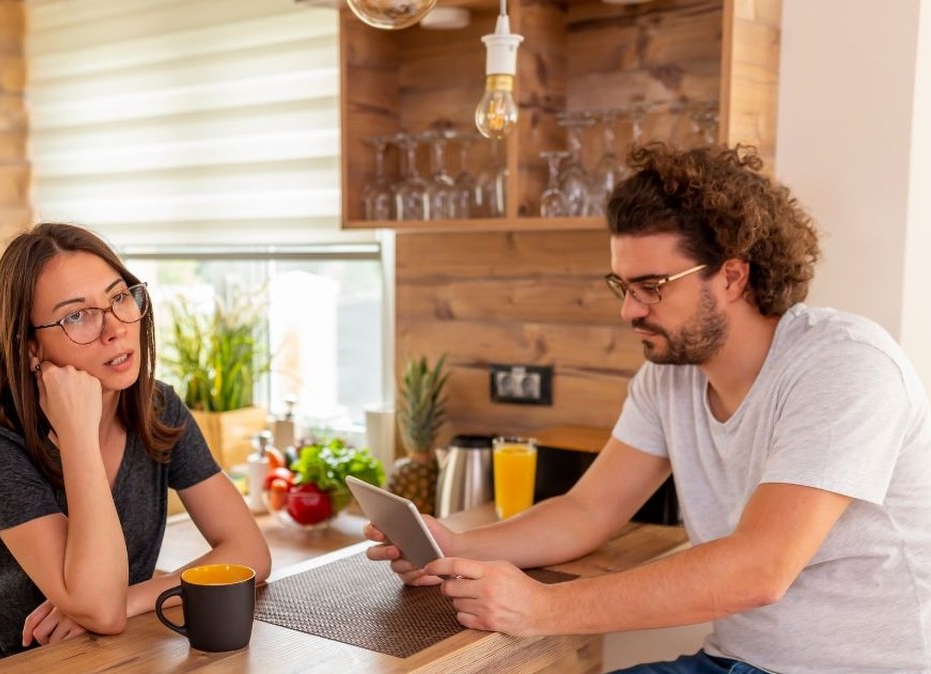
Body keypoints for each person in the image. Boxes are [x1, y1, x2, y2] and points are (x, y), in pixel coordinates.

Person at [365, 144, 931, 673]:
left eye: (652, 286)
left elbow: (760, 569)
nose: (630, 311)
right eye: (623, 286)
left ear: (732, 276)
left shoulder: (844, 366)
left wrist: (542, 607)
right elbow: (587, 511)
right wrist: (458, 546)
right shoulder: (670, 378)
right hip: (731, 662)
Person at [0, 223, 271, 673]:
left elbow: (250, 554)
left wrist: (131, 598)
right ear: (31, 348)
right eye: (76, 315)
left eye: (118, 297)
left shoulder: (157, 408)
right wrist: (78, 435)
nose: (114, 329)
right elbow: (98, 610)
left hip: (98, 661)